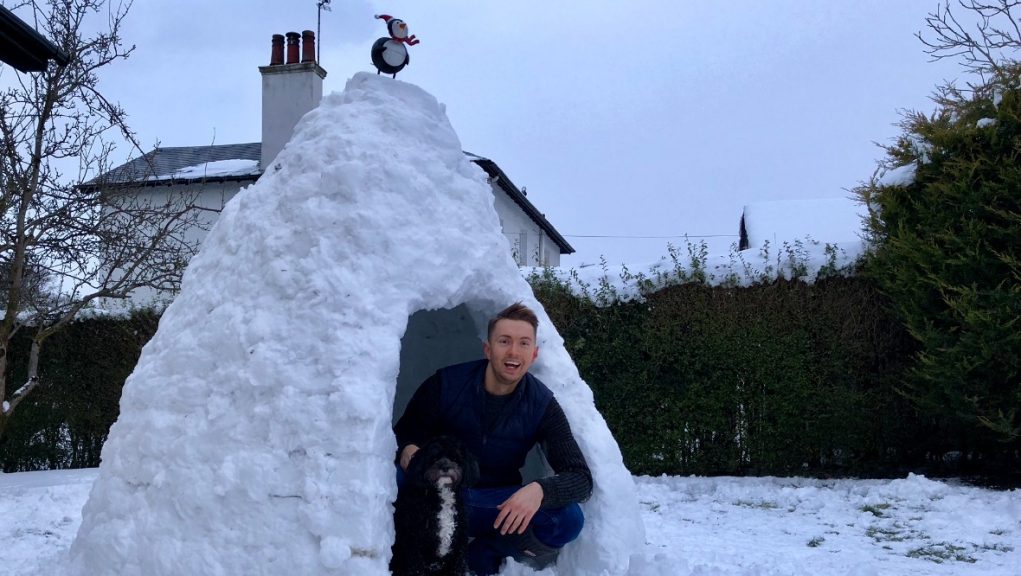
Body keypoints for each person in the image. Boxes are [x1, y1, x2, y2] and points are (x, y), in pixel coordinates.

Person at [394, 302, 592, 575]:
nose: (513, 352)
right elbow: (404, 432)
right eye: (504, 341)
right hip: (436, 496)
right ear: (488, 348)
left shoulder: (542, 404)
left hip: (496, 506)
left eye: (524, 343)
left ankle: (485, 553)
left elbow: (581, 478)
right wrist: (408, 447)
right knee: (395, 478)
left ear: (534, 354)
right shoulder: (446, 384)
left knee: (568, 519)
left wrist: (539, 491)